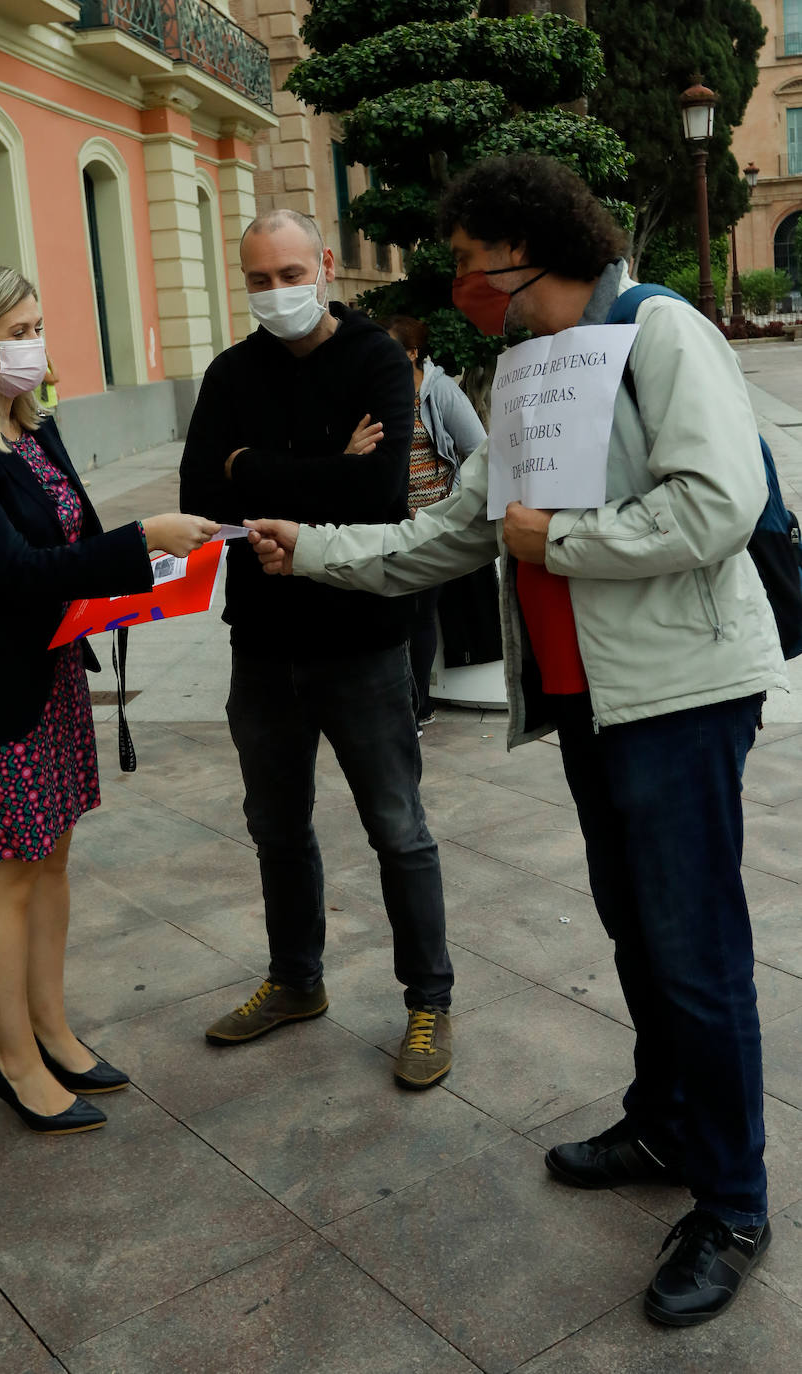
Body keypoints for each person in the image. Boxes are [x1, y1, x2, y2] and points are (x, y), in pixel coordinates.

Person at [243, 156, 787, 1326]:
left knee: (694, 950)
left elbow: (717, 504)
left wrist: (562, 540)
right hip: (589, 698)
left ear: (530, 252)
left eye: (471, 265)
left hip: (679, 695)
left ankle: (734, 1201)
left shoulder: (663, 334)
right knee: (637, 930)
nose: (463, 287)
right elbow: (457, 529)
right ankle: (664, 1123)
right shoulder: (531, 366)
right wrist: (318, 547)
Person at [0, 260, 219, 1135]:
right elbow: (14, 573)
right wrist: (138, 539)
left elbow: (70, 544)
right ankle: (11, 1063)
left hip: (51, 684)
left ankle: (52, 1032)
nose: (36, 348)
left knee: (51, 864)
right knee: (2, 877)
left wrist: (155, 571)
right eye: (18, 333)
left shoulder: (34, 433)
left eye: (38, 328)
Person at [179, 209, 453, 1088]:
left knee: (398, 828)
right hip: (261, 642)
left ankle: (429, 1002)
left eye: (291, 274)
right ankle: (297, 981)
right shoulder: (229, 371)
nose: (277, 293)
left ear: (325, 266)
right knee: (276, 828)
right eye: (259, 279)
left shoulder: (375, 358)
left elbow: (379, 495)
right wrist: (320, 470)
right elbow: (196, 492)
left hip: (364, 639)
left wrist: (251, 466)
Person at [379, 316, 486, 732]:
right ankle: (403, 704)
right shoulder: (380, 390)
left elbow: (476, 449)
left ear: (411, 353)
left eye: (389, 346)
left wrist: (450, 506)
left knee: (419, 614)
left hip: (432, 524)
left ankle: (417, 709)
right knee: (396, 612)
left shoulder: (438, 390)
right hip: (390, 523)